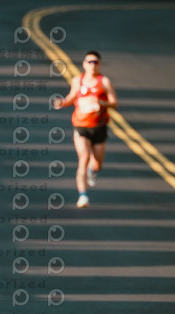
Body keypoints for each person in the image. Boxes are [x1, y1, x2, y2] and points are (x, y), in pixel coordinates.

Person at [54, 50, 118, 208]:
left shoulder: (104, 82)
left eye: (95, 62)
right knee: (83, 159)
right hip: (81, 126)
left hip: (99, 127)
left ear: (99, 64)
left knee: (97, 164)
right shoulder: (78, 81)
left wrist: (102, 103)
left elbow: (114, 102)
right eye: (89, 62)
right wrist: (63, 102)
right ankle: (83, 196)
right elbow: (72, 97)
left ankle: (92, 171)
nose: (92, 65)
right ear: (84, 64)